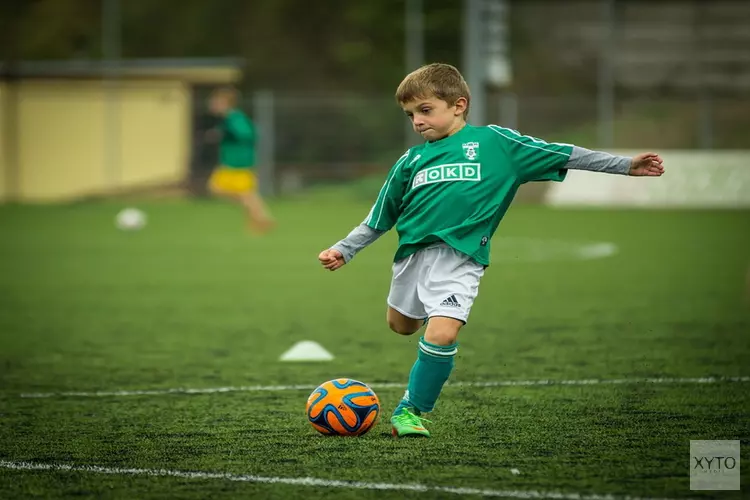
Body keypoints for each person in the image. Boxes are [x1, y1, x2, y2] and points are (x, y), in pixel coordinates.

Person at [317, 63, 664, 438]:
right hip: (411, 259)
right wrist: (344, 249)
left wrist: (626, 165)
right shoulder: (410, 161)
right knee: (401, 326)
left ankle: (411, 411)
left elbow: (563, 153)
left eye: (425, 110)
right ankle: (423, 326)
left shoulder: (496, 144)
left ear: (458, 105)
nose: (417, 121)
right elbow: (379, 217)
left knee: (443, 334)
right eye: (410, 114)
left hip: (461, 259)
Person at [206, 86, 274, 232]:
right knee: (243, 194)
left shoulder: (233, 117)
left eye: (216, 101)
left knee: (224, 190)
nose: (212, 104)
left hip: (237, 162)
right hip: (233, 161)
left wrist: (226, 134)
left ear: (225, 102)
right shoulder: (229, 119)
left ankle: (261, 219)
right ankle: (260, 219)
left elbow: (247, 134)